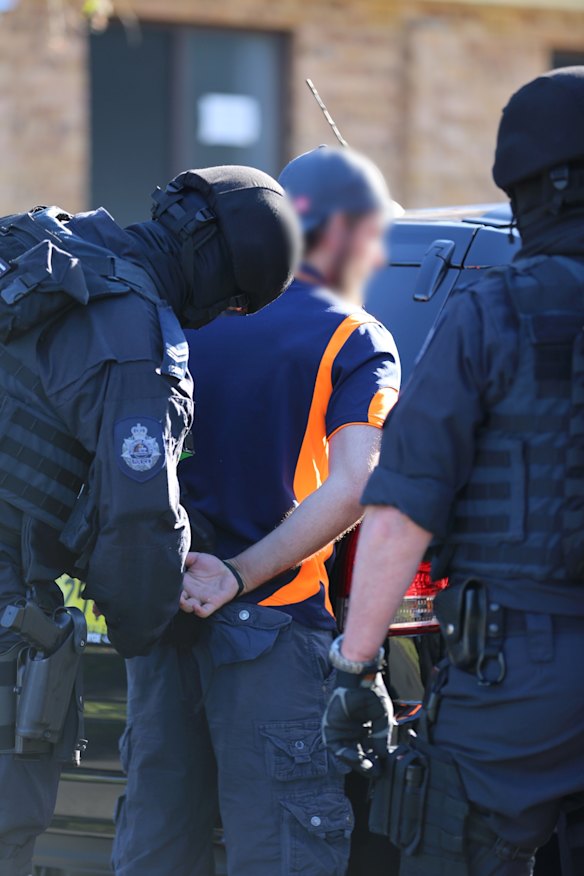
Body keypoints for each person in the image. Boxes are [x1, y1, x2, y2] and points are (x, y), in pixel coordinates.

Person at [0, 165, 300, 876]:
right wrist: (162, 619)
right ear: (222, 282)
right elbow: (139, 525)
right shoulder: (138, 340)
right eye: (231, 306)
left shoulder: (37, 247)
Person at [321, 66, 584, 876]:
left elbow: (399, 507)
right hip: (520, 658)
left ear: (529, 186)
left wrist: (357, 667)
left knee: (451, 847)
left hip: (519, 674)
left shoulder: (492, 311)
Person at [112, 145, 401, 876]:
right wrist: (237, 576)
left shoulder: (179, 312)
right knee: (282, 854)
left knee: (155, 849)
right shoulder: (355, 335)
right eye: (375, 232)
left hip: (162, 625)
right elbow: (355, 484)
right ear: (338, 230)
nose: (378, 251)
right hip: (271, 638)